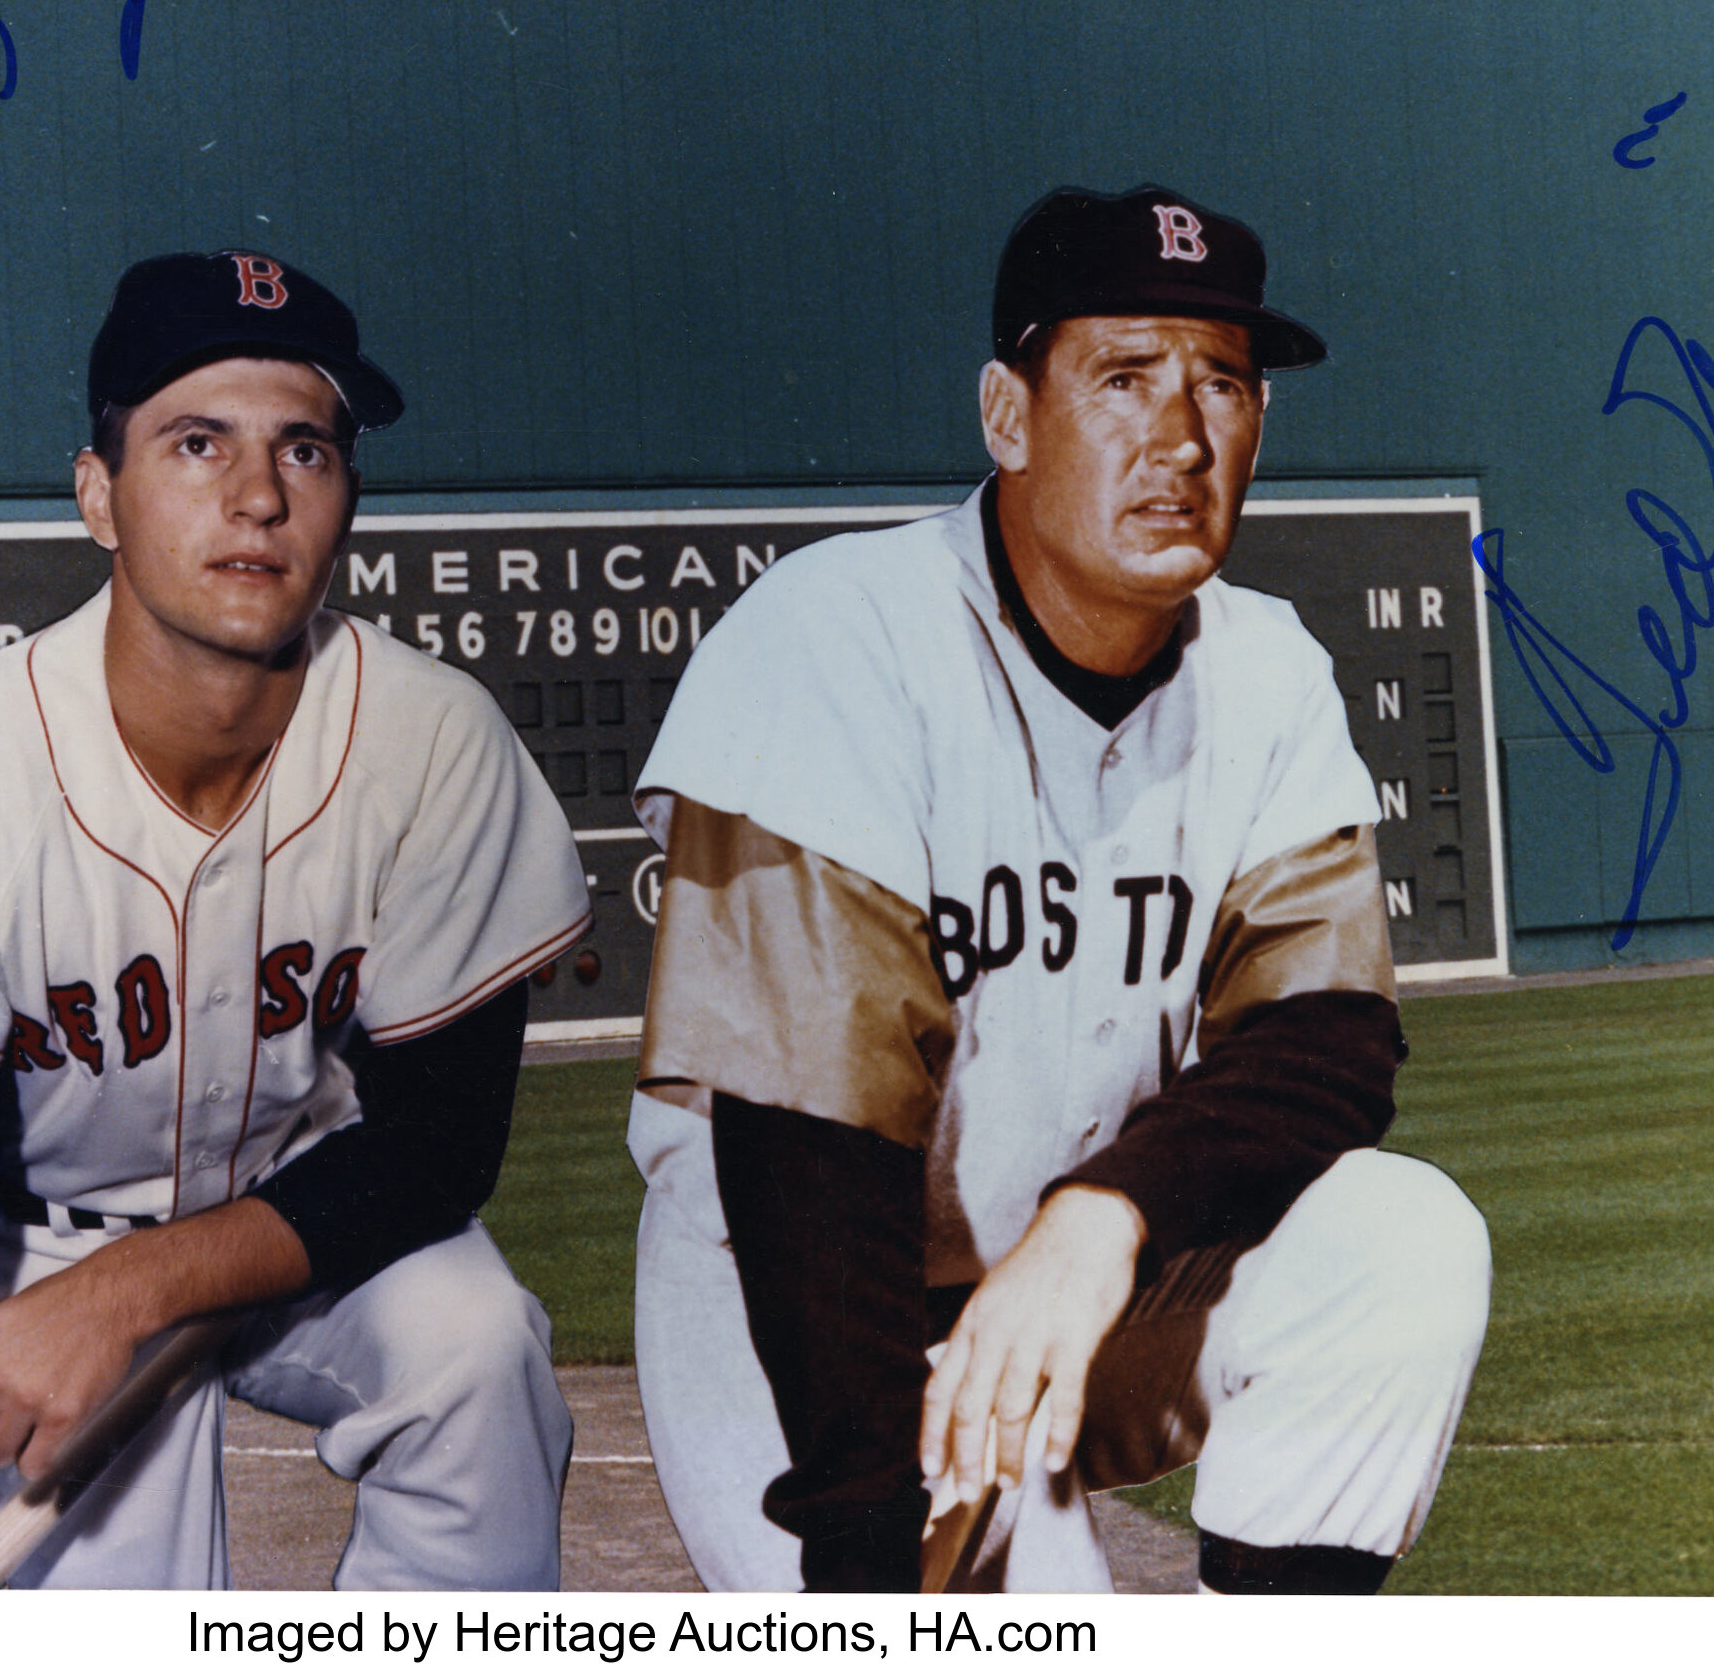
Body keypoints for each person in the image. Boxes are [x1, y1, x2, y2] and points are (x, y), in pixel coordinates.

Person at [626, 183, 1491, 1594]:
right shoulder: (834, 640)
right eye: (1124, 374)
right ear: (1007, 414)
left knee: (1400, 1240)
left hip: (1084, 1285)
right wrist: (864, 1536)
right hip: (800, 1308)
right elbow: (803, 1146)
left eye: (1224, 382)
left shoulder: (1265, 667)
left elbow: (1325, 1046)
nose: (1182, 437)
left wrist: (1100, 1220)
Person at [0, 248, 590, 1589]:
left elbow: (439, 1152)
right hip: (41, 1256)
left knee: (475, 1350)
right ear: (100, 496)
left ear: (348, 498)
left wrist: (142, 1288)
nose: (259, 498)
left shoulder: (432, 740)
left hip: (306, 1228)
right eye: (196, 442)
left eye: (306, 451)